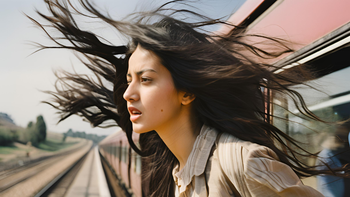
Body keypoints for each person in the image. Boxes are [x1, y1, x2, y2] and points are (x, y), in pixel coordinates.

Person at [30, 0, 349, 196]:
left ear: (187, 91)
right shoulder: (173, 174)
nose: (129, 92)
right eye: (129, 80)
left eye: (145, 79)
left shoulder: (243, 162)